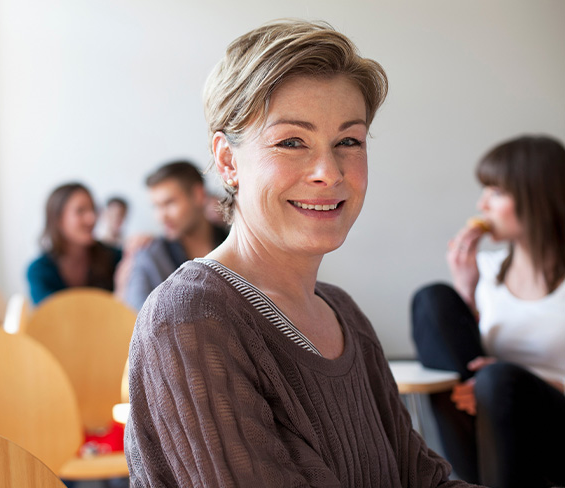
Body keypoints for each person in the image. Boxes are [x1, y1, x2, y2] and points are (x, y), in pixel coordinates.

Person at [125, 19, 473, 487]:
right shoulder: (190, 317)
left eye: (348, 141)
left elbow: (423, 480)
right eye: (292, 142)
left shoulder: (343, 314)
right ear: (228, 161)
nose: (328, 172)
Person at [412, 135, 565, 487]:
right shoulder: (489, 270)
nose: (482, 204)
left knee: (497, 379)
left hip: (555, 432)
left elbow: (500, 380)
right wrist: (467, 288)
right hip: (491, 430)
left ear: (536, 196)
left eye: (495, 192)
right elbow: (465, 351)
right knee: (432, 299)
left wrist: (526, 380)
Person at [123, 161, 228, 310]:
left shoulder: (235, 243)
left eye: (169, 203)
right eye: (156, 206)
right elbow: (133, 318)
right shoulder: (149, 257)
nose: (161, 216)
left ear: (198, 195)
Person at [27, 182, 122, 305]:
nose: (91, 218)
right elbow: (47, 317)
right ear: (58, 219)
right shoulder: (39, 271)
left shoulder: (115, 257)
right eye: (80, 211)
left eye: (93, 209)